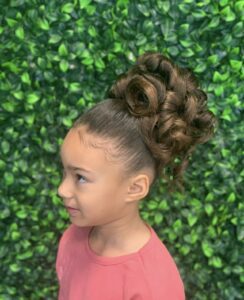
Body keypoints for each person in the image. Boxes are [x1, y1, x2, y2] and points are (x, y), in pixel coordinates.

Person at [56, 52, 216, 299]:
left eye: (80, 177)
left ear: (135, 188)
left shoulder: (153, 285)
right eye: (64, 171)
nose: (62, 190)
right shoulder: (72, 239)